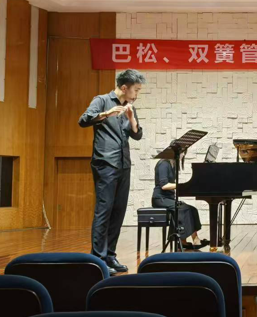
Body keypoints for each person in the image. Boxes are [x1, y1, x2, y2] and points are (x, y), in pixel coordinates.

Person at [79, 69, 145, 275]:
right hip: (106, 163)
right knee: (104, 210)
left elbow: (137, 135)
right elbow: (83, 120)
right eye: (136, 90)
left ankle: (110, 255)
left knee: (118, 211)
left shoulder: (130, 107)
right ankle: (98, 259)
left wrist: (131, 118)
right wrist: (106, 114)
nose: (137, 94)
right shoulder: (101, 100)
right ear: (124, 87)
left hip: (123, 164)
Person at [152, 157, 209, 250]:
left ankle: (183, 241)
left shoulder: (172, 164)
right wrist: (182, 185)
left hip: (169, 198)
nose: (183, 155)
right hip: (160, 199)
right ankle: (194, 240)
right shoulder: (164, 164)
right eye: (182, 152)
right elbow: (164, 186)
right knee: (184, 208)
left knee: (192, 209)